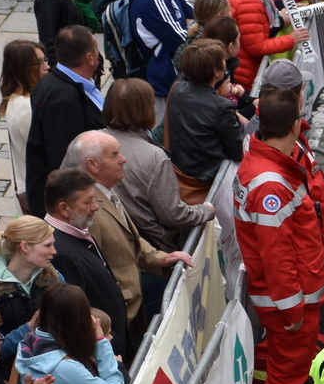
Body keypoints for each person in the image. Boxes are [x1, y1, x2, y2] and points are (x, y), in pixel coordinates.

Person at [235, 94, 324, 384]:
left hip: (294, 298)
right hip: (290, 304)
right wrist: (292, 310)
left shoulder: (268, 168)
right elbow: (277, 258)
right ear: (294, 126)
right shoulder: (270, 183)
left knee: (288, 373)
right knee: (286, 379)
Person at [64, 130, 194, 347]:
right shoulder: (89, 209)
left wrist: (160, 258)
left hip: (129, 314)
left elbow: (127, 238)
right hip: (115, 323)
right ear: (92, 165)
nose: (123, 159)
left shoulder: (106, 192)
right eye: (114, 155)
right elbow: (96, 270)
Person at [103, 79, 214, 250]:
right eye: (151, 103)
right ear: (143, 110)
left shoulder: (87, 143)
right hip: (153, 251)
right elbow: (174, 215)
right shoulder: (154, 157)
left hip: (109, 245)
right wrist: (206, 210)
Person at [42, 170, 131, 357]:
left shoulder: (78, 232)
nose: (95, 207)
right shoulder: (61, 254)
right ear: (64, 209)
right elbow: (79, 317)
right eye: (87, 201)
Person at [23, 26, 106, 222]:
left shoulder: (59, 82)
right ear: (89, 58)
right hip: (67, 207)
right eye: (95, 49)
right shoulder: (64, 100)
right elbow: (65, 159)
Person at [162, 40, 244, 195]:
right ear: (216, 71)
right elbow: (237, 151)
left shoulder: (177, 89)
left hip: (180, 171)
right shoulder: (221, 106)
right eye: (222, 60)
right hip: (209, 182)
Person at [0, 219, 62, 375]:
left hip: (55, 368)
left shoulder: (54, 278)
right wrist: (28, 329)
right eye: (47, 245)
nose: (54, 251)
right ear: (25, 247)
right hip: (11, 377)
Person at [0, 42, 45, 215]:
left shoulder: (19, 99)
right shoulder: (26, 106)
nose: (46, 67)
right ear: (23, 69)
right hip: (35, 191)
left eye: (45, 60)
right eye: (39, 63)